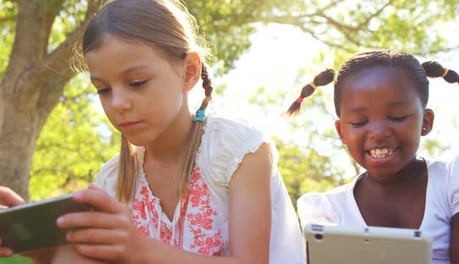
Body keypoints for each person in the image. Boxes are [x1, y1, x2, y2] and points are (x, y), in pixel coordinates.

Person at [0, 0, 305, 263]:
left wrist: (139, 250)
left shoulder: (239, 150)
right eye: (103, 89)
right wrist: (47, 252)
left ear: (188, 71)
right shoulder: (113, 180)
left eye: (137, 83)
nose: (118, 103)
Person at [288, 50, 459, 264]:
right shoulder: (327, 212)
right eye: (360, 122)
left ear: (425, 122)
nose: (378, 132)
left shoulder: (458, 183)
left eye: (397, 117)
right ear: (341, 131)